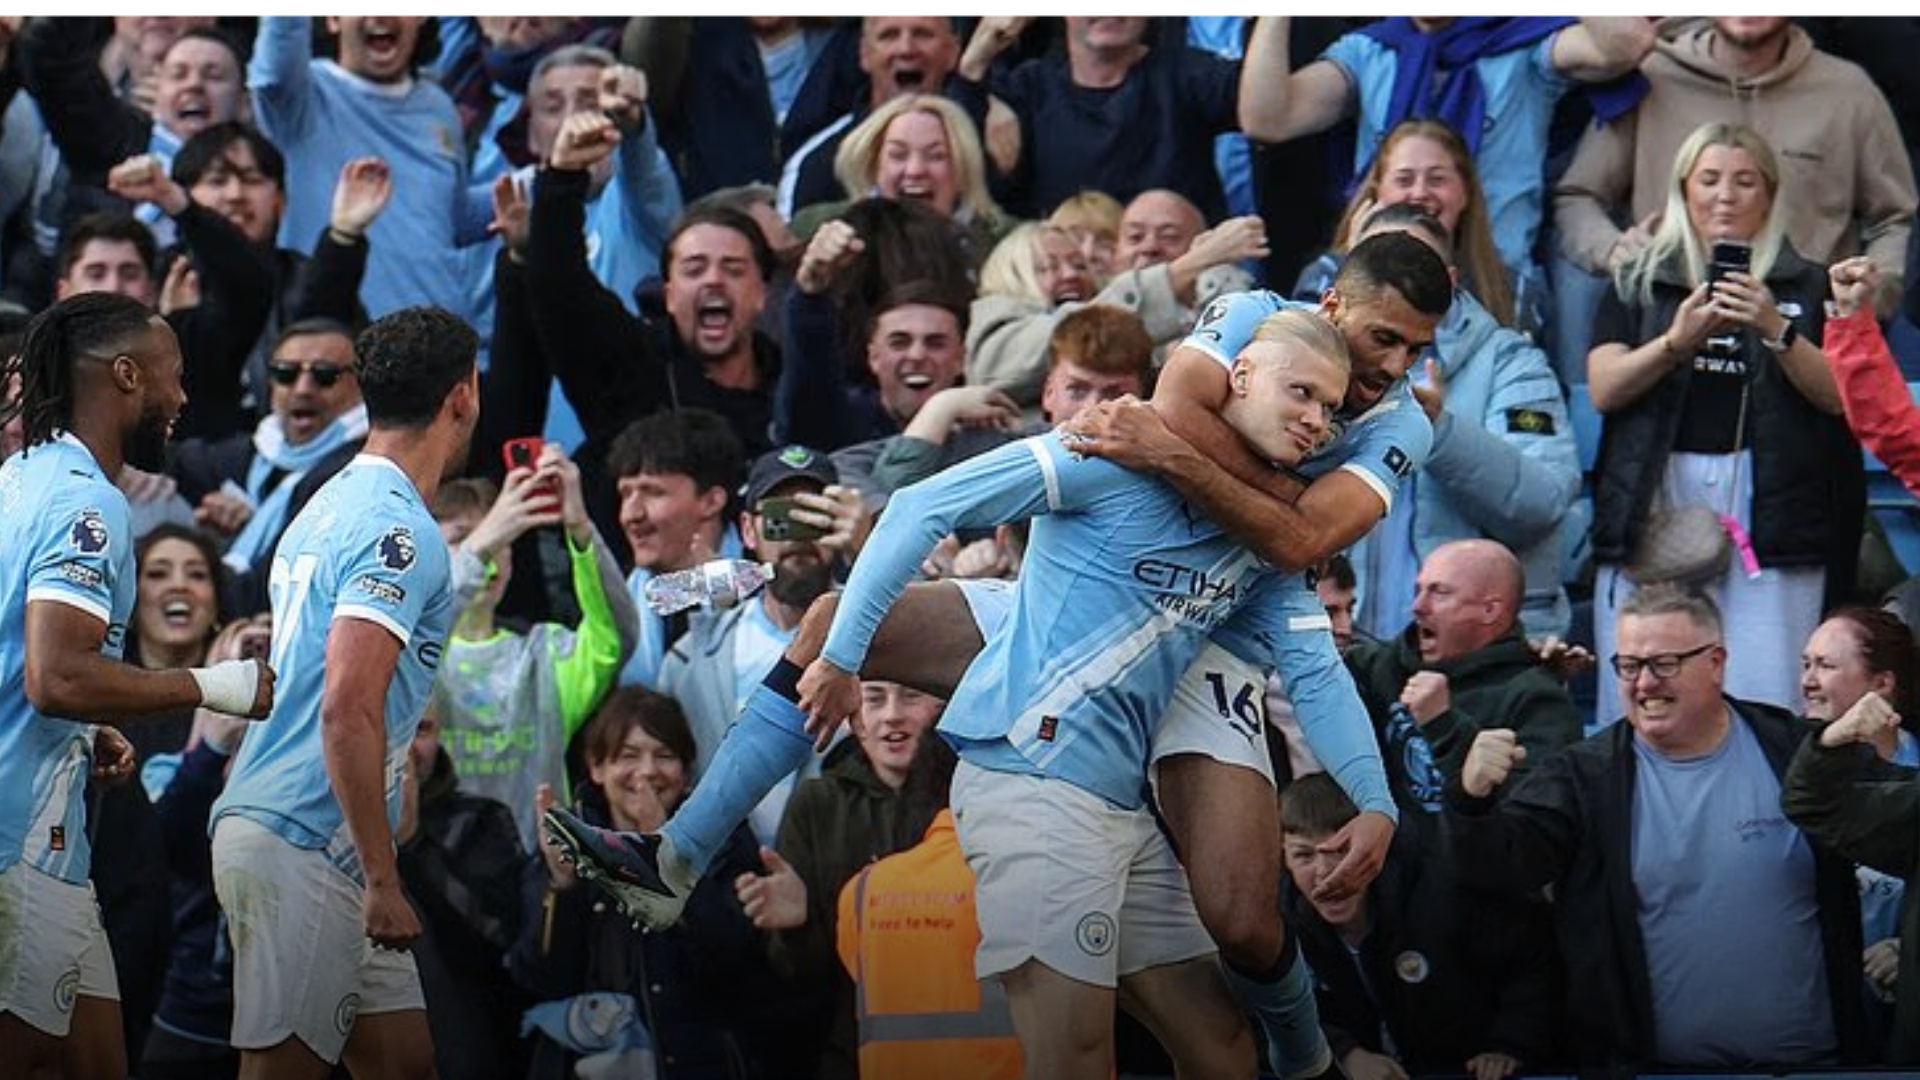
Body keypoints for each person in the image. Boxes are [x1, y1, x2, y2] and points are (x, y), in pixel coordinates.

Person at [551, 308, 1396, 1080]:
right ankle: (678, 854)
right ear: (1238, 375)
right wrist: (842, 663)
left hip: (1120, 810)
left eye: (1330, 409)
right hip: (1035, 787)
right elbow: (920, 504)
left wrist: (1376, 801)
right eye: (1301, 393)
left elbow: (1317, 671)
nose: (1316, 420)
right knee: (1075, 1060)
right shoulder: (1110, 449)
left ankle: (1308, 1062)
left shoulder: (1266, 542)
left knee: (1222, 1048)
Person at [0, 292, 272, 1080]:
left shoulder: (18, 476)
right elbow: (56, 675)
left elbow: (28, 662)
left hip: (45, 838)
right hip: (21, 844)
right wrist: (212, 684)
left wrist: (89, 725)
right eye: (174, 374)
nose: (183, 397)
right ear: (127, 375)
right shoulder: (86, 501)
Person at [208, 306, 479, 1080]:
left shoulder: (322, 502)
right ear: (463, 396)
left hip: (313, 834)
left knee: (406, 1066)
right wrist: (384, 876)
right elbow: (346, 707)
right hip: (306, 835)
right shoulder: (399, 529)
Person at [1447, 583, 1871, 1068]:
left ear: (1716, 662)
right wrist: (1471, 799)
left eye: (1664, 664)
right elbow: (1503, 868)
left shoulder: (1793, 750)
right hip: (1650, 1070)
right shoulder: (1585, 777)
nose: (1644, 683)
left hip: (1814, 1067)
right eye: (1629, 666)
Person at [1586, 121, 1858, 714]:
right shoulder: (1640, 278)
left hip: (1771, 496)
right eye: (1708, 179)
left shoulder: (1806, 282)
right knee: (1642, 683)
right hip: (1657, 492)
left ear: (1770, 193)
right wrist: (1676, 342)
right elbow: (1605, 388)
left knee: (1768, 688)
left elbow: (1840, 396)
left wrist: (1775, 327)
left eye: (1745, 181)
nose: (1725, 196)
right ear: (1683, 189)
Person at [512, 686, 810, 1079]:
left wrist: (672, 858)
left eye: (664, 756)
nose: (647, 771)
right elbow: (538, 978)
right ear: (597, 767)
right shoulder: (569, 841)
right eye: (628, 756)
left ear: (685, 773)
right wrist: (562, 883)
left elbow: (739, 967)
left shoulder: (726, 838)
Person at [1318, 203, 1581, 639]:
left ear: (1451, 281)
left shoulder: (1510, 362)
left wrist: (1439, 431)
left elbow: (1543, 504)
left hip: (1466, 651)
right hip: (1338, 640)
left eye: (1419, 263)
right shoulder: (1309, 361)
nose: (1400, 276)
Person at [1238, 15, 1655, 290]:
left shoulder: (1523, 41)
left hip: (1495, 287)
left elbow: (1627, 44)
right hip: (1382, 280)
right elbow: (1268, 119)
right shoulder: (1371, 50)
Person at [735, 680, 956, 1080]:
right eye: (874, 698)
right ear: (853, 716)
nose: (892, 714)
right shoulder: (817, 805)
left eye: (911, 696)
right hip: (853, 1056)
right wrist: (797, 927)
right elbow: (796, 977)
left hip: (967, 1052)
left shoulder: (971, 801)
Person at [429, 444, 639, 852]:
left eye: (501, 540)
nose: (488, 557)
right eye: (462, 539)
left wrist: (580, 530)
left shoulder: (546, 653)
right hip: (439, 868)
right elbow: (413, 634)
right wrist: (477, 551)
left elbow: (617, 636)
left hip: (538, 869)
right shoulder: (415, 657)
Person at [1279, 773, 1558, 1080]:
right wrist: (1343, 1052)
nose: (1326, 872)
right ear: (1282, 856)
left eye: (1343, 850)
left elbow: (1531, 959)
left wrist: (1510, 1045)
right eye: (1304, 855)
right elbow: (1264, 1011)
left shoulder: (1443, 889)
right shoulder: (1273, 921)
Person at [660, 444, 866, 841]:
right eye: (780, 517)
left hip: (845, 862)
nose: (798, 536)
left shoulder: (883, 633)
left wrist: (870, 552)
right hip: (726, 868)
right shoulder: (691, 659)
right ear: (748, 530)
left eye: (816, 515)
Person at [249, 17, 491, 321]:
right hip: (340, 337)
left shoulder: (439, 106)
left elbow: (449, 219)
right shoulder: (300, 96)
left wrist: (538, 182)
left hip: (441, 334)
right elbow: (276, 60)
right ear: (333, 18)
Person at [1342, 538, 1584, 841]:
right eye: (1419, 590)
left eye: (1440, 592)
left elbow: (1531, 837)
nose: (1417, 607)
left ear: (1490, 610)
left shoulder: (1538, 702)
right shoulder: (1383, 666)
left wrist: (1444, 726)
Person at [966, 205, 1266, 410]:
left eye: (1079, 265)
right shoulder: (996, 320)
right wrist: (1191, 264)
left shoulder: (1140, 332)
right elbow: (1070, 335)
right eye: (1048, 267)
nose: (1070, 275)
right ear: (1010, 274)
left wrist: (1206, 276)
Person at [1784, 605, 1920, 1058]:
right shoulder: (1787, 765)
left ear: (1882, 684)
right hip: (1813, 1006)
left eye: (1825, 666)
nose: (1808, 681)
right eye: (1805, 664)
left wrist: (1906, 949)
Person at [956, 17, 1245, 221]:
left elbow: (1261, 106)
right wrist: (975, 64)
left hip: (1180, 270)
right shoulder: (1029, 88)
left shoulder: (1189, 75)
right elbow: (965, 176)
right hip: (1068, 275)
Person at [606, 409, 747, 691]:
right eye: (625, 494)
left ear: (711, 501)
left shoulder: (773, 591)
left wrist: (722, 593)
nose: (631, 515)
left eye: (653, 492)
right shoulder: (615, 605)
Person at [791, 92, 1015, 263]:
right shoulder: (814, 227)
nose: (915, 170)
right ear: (873, 165)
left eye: (936, 156)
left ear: (963, 168)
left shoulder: (1007, 244)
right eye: (898, 155)